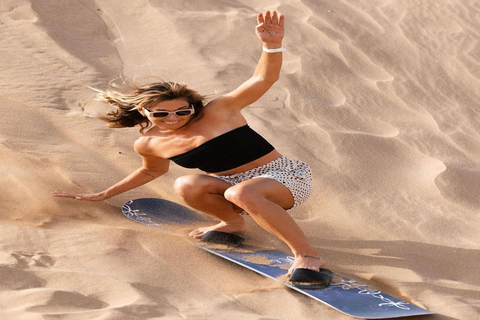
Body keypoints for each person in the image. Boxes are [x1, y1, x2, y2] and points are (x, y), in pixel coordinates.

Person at [51, 11, 327, 280]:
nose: (173, 119)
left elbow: (262, 79)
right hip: (234, 186)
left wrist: (272, 46)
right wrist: (105, 194)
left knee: (239, 194)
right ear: (144, 112)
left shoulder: (221, 111)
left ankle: (307, 255)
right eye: (161, 114)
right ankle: (232, 224)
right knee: (186, 185)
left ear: (192, 107)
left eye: (182, 112)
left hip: (285, 177)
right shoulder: (150, 144)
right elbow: (150, 172)